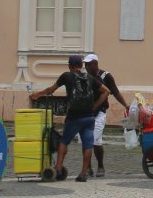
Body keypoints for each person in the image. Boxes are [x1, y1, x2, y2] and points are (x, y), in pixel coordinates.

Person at [30, 54, 107, 182]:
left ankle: (58, 167)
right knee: (88, 145)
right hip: (89, 117)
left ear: (69, 66)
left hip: (74, 116)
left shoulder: (66, 76)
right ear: (82, 66)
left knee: (64, 141)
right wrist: (94, 106)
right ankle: (83, 173)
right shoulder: (90, 78)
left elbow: (51, 89)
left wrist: (38, 94)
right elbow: (106, 91)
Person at [84, 53, 128, 177]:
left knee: (94, 140)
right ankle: (88, 167)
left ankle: (100, 165)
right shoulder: (84, 76)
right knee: (86, 141)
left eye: (89, 64)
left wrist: (126, 105)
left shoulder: (106, 76)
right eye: (85, 64)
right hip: (86, 113)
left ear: (95, 64)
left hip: (100, 112)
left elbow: (115, 92)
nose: (86, 67)